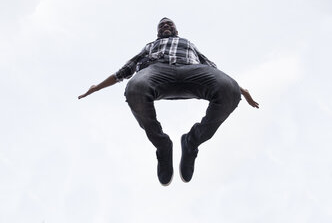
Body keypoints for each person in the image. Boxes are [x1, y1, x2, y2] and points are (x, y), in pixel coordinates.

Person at [78, 17, 259, 186]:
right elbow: (124, 70)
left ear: (176, 30)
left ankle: (191, 142)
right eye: (161, 25)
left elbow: (214, 69)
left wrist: (241, 90)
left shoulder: (188, 44)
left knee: (229, 90)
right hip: (158, 72)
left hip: (193, 71)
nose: (165, 25)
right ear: (158, 32)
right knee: (135, 88)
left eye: (169, 24)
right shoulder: (150, 46)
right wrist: (97, 87)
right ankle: (163, 146)